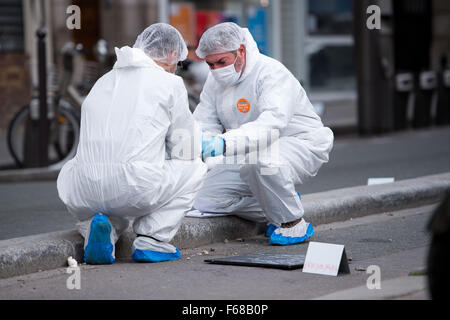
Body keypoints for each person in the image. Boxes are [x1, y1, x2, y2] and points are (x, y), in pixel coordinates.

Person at [57, 23, 207, 264]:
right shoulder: (170, 84)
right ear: (171, 55)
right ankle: (153, 240)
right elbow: (185, 146)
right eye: (177, 62)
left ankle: (99, 235)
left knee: (105, 198)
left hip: (82, 191)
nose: (175, 69)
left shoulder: (104, 80)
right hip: (135, 186)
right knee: (194, 166)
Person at [192, 22, 334, 245]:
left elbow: (272, 124)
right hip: (245, 149)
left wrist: (223, 143)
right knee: (200, 198)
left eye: (222, 62)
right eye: (210, 64)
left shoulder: (270, 73)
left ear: (240, 51)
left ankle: (292, 223)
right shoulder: (215, 81)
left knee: (260, 162)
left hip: (297, 142)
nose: (216, 70)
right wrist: (204, 147)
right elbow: (205, 120)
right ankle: (275, 202)